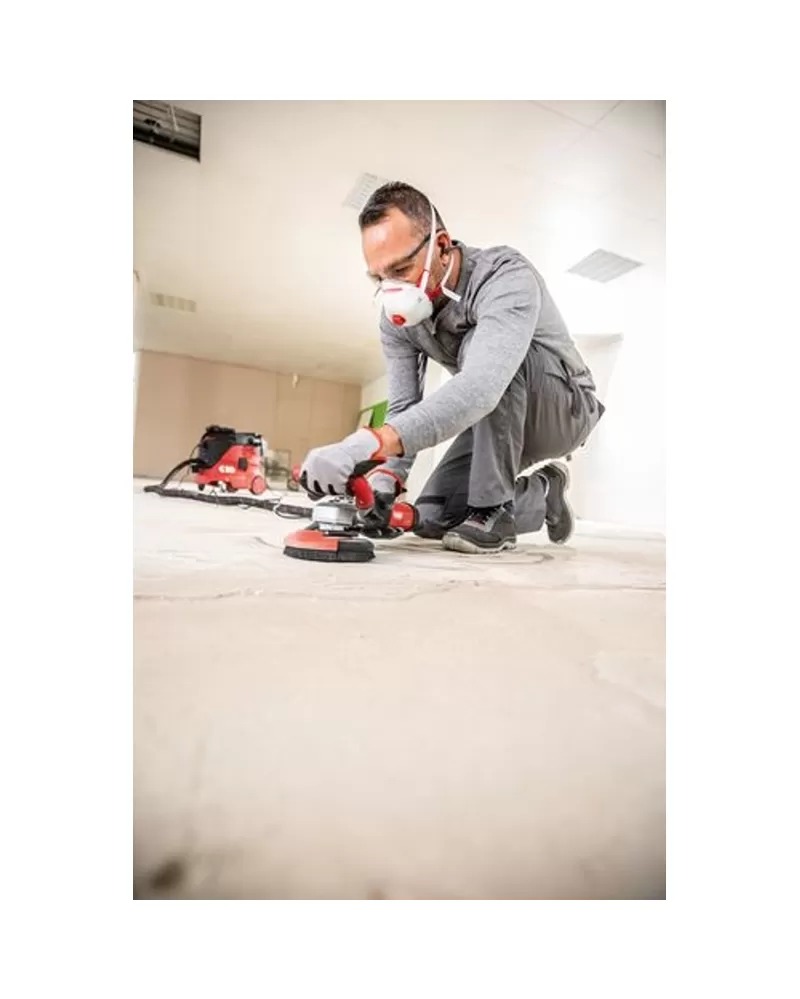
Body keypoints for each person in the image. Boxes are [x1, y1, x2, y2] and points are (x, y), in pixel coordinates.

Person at [300, 181, 605, 554]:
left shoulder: (504, 276)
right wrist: (385, 478)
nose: (391, 289)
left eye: (401, 269)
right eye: (379, 277)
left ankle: (493, 509)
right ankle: (543, 492)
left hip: (565, 409)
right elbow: (404, 407)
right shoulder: (398, 321)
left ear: (441, 247)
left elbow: (482, 386)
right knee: (433, 516)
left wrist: (368, 442)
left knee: (490, 354)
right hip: (501, 416)